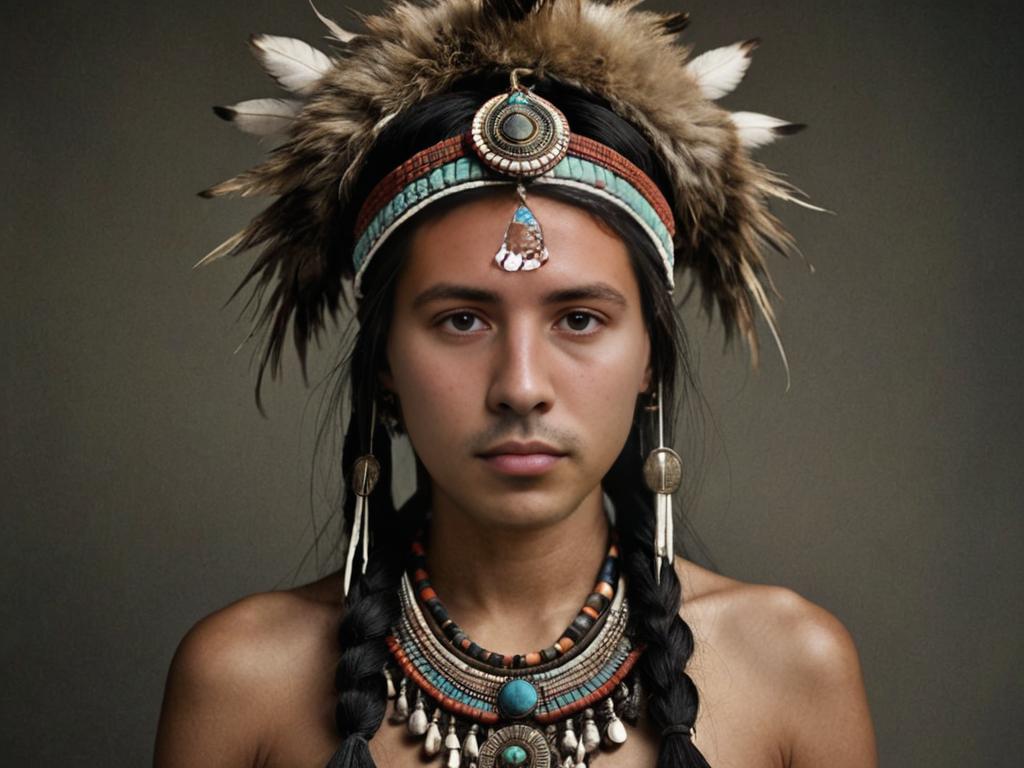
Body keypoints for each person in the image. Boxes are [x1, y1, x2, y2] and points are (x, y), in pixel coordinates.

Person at [155, 2, 877, 767]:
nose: (521, 387)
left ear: (651, 362)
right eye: (462, 321)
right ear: (385, 365)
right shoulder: (244, 679)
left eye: (579, 319)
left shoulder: (791, 668)